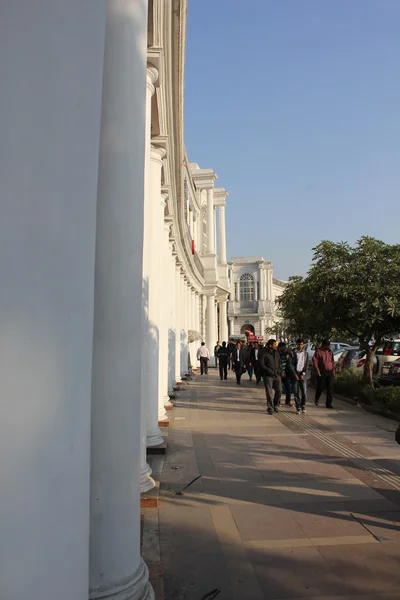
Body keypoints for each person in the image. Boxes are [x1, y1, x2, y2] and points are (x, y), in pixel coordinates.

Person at [261, 339, 282, 414]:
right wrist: (268, 370)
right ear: (270, 345)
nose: (275, 346)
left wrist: (279, 371)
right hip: (268, 376)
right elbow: (262, 364)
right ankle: (270, 408)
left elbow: (279, 362)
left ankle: (275, 404)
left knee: (279, 390)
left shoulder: (277, 353)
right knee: (269, 392)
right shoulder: (265, 353)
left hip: (277, 375)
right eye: (274, 344)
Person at [312, 339, 335, 408]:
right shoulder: (318, 352)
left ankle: (329, 403)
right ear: (324, 345)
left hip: (330, 372)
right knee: (320, 387)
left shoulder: (330, 352)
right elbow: (315, 362)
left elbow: (332, 361)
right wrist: (318, 372)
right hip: (322, 372)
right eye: (328, 345)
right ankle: (317, 398)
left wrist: (333, 371)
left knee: (330, 387)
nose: (329, 347)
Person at [293, 338, 309, 414]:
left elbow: (306, 365)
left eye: (301, 344)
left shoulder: (305, 353)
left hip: (302, 374)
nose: (300, 345)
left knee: (304, 392)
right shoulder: (293, 353)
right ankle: (298, 406)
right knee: (296, 392)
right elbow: (291, 364)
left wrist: (303, 374)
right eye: (299, 344)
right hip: (295, 374)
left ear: (303, 345)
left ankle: (303, 405)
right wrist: (294, 374)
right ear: (296, 344)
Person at [278, 342, 296, 406]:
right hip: (278, 374)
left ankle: (288, 401)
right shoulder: (277, 354)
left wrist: (288, 358)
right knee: (279, 389)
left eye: (285, 347)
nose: (284, 349)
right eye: (283, 347)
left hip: (286, 374)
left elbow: (290, 364)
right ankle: (278, 401)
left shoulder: (288, 354)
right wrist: (280, 373)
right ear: (279, 348)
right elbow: (276, 365)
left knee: (288, 387)